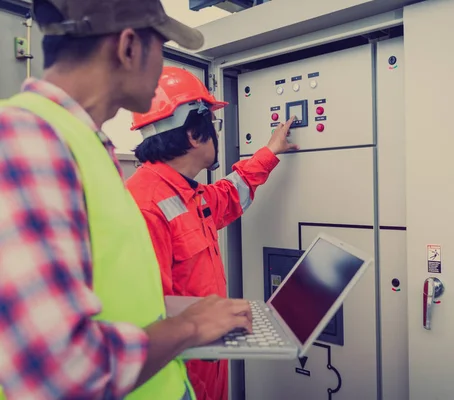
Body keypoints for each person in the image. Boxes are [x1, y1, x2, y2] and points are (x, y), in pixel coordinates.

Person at [0, 1, 252, 399]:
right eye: (163, 45)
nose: (163, 65)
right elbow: (58, 374)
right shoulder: (26, 139)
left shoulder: (81, 145)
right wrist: (190, 326)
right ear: (129, 47)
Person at [126, 66, 298, 400]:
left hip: (206, 364)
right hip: (180, 379)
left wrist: (269, 151)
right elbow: (147, 324)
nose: (216, 132)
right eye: (214, 124)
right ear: (193, 134)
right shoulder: (145, 206)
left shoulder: (185, 193)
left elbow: (229, 194)